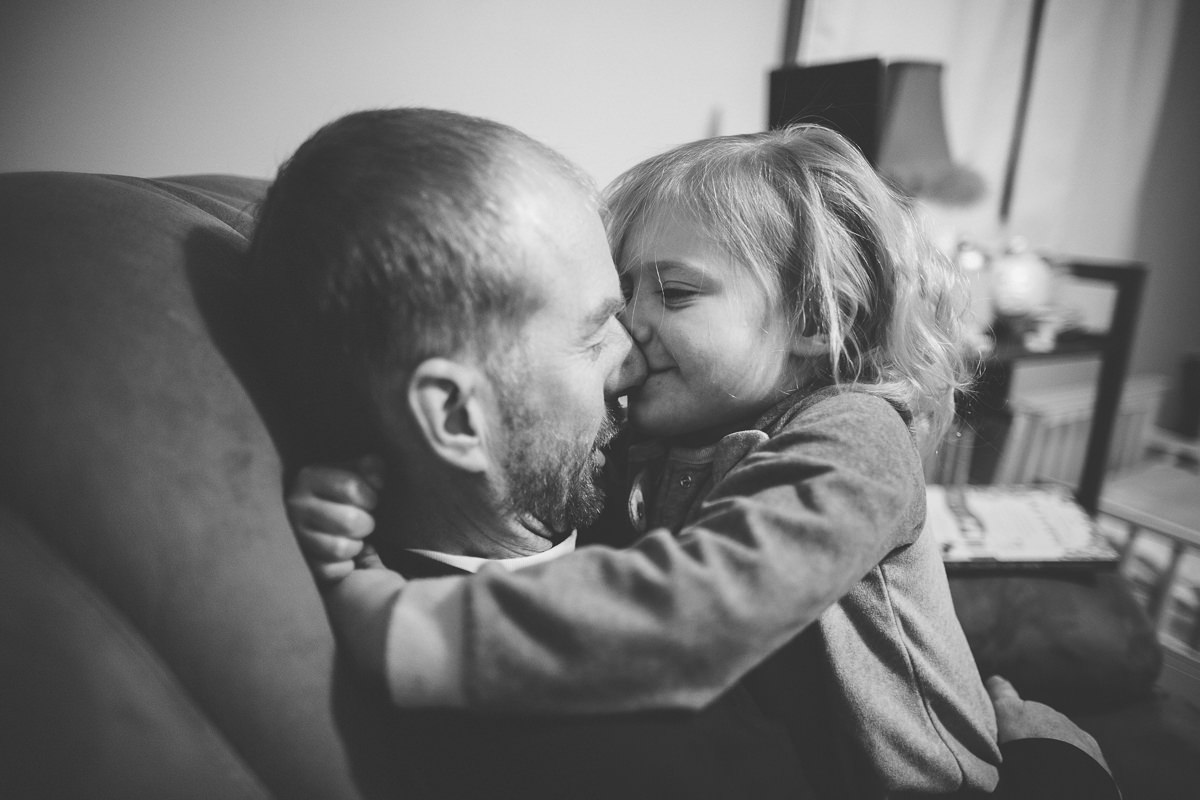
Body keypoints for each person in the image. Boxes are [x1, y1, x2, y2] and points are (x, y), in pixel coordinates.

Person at [275, 108, 1119, 799]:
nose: (631, 329)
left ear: (816, 323)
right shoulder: (660, 431)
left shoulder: (856, 436)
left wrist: (405, 628)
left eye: (672, 293)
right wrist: (357, 493)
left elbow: (708, 603)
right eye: (618, 296)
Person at [252, 106, 813, 799]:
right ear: (458, 418)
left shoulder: (648, 483)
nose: (636, 360)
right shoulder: (526, 721)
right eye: (595, 329)